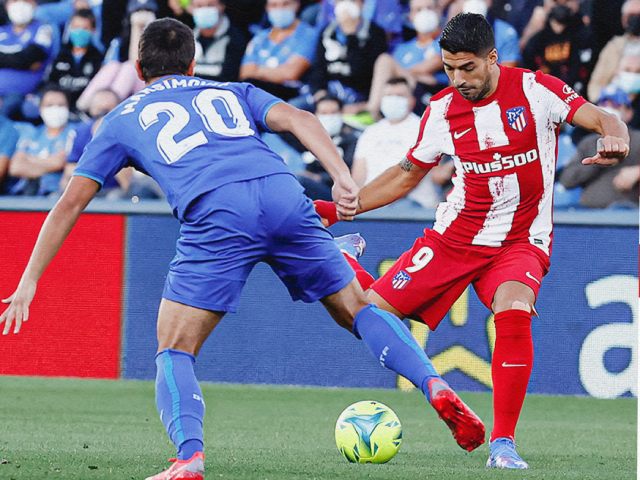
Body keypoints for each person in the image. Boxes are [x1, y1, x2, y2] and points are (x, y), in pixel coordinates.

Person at [0, 18, 485, 480]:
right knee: (358, 308)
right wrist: (341, 176)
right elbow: (299, 117)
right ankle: (434, 384)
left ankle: (189, 458)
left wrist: (28, 281)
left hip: (217, 211)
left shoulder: (120, 118)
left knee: (174, 348)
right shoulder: (229, 91)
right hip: (282, 192)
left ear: (139, 69)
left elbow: (68, 205)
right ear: (193, 66)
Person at [315, 13, 629, 470]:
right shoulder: (441, 111)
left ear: (492, 58)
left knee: (515, 311)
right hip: (455, 238)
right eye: (448, 69)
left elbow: (601, 117)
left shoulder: (536, 90)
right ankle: (347, 260)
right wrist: (342, 208)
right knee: (361, 315)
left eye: (467, 68)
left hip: (521, 239)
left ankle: (502, 445)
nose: (458, 79)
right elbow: (407, 175)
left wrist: (615, 135)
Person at [352, 77, 441, 209]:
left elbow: (412, 177)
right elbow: (358, 176)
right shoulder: (370, 132)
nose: (393, 100)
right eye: (388, 95)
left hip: (412, 204)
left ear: (411, 101)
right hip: (370, 205)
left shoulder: (423, 129)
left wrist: (377, 201)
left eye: (399, 95)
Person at [560, 85, 640, 208]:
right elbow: (567, 180)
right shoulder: (589, 142)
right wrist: (596, 162)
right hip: (588, 214)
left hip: (628, 216)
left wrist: (637, 172)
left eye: (616, 105)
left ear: (629, 113)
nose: (609, 109)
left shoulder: (638, 139)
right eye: (604, 103)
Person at [239, 0, 318, 101]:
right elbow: (245, 73)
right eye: (274, 5)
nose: (279, 9)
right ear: (267, 8)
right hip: (259, 92)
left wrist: (258, 70)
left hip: (293, 95)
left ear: (296, 5)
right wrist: (277, 71)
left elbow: (290, 74)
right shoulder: (260, 37)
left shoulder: (308, 34)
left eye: (285, 4)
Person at [8, 87, 76, 196]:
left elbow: (59, 162)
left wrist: (30, 159)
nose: (55, 109)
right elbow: (16, 167)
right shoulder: (32, 132)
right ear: (40, 108)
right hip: (23, 194)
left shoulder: (74, 132)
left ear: (68, 108)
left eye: (60, 105)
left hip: (55, 194)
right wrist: (50, 163)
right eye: (49, 105)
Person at [294, 95, 360, 200]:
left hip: (336, 193)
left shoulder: (351, 141)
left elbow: (351, 173)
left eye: (333, 112)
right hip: (312, 191)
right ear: (315, 115)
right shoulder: (309, 139)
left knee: (300, 182)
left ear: (341, 113)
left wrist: (318, 178)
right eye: (324, 113)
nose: (329, 117)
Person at [0, 0, 55, 117]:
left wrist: (4, 58)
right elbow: (23, 60)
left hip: (18, 94)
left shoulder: (43, 29)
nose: (20, 4)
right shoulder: (2, 30)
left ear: (34, 4)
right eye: (14, 0)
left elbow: (31, 59)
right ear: (6, 5)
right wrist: (20, 60)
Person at [47, 8, 104, 112]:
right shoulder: (60, 53)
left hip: (83, 108)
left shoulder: (98, 57)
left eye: (85, 28)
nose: (80, 32)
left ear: (93, 31)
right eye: (76, 27)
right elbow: (50, 81)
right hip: (58, 105)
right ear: (70, 28)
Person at [192, 0, 248, 82]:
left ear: (222, 6)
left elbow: (231, 79)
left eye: (210, 5)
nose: (204, 10)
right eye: (199, 6)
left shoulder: (236, 39)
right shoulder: (185, 38)